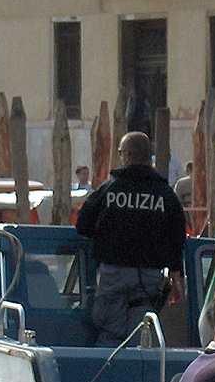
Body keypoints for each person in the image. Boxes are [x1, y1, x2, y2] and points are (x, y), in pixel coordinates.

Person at [76, 130, 187, 346]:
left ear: (126, 155)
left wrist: (106, 237)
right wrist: (176, 277)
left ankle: (109, 374)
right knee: (140, 336)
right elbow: (177, 237)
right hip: (149, 277)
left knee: (109, 333)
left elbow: (83, 224)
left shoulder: (109, 190)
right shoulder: (165, 195)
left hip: (113, 273)